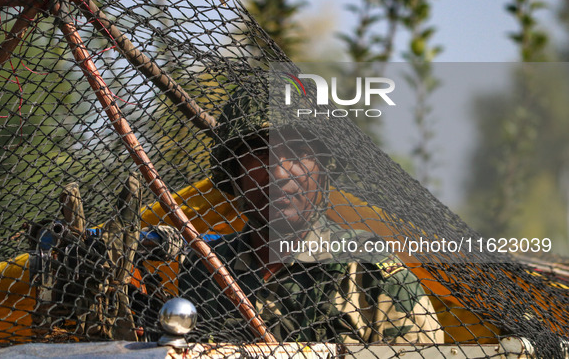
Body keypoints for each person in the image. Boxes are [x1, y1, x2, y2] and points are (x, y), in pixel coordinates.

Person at [177, 87, 444, 344]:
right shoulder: (205, 267)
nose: (279, 174)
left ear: (323, 170)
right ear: (235, 174)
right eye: (258, 153)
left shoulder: (367, 269)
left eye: (297, 151)